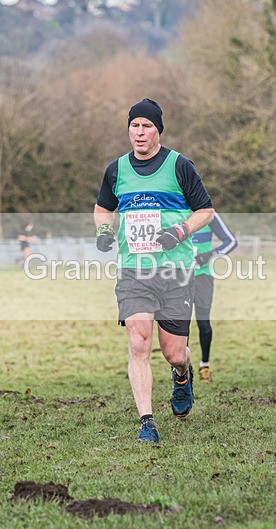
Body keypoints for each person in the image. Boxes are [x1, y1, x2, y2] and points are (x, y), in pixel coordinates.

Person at [94, 98, 214, 444]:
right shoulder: (116, 170)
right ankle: (147, 421)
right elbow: (103, 208)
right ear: (128, 130)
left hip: (175, 271)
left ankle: (182, 375)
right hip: (134, 272)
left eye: (147, 126)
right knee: (138, 341)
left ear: (158, 130)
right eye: (135, 125)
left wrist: (179, 231)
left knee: (174, 352)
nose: (140, 132)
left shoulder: (179, 166)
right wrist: (104, 231)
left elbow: (205, 211)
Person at [191, 213, 238, 383]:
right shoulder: (173, 210)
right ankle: (181, 370)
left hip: (203, 277)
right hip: (176, 277)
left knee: (203, 324)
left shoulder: (207, 214)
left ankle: (205, 365)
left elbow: (231, 241)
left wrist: (209, 255)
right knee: (178, 325)